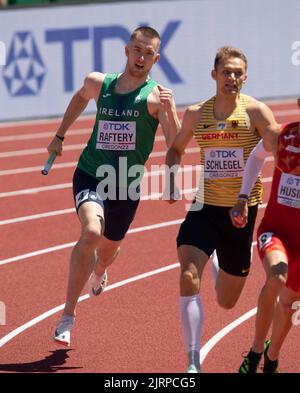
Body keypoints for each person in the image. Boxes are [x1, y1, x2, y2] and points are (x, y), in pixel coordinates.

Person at [47, 26, 181, 347]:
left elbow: (175, 143)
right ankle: (68, 315)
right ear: (126, 50)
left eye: (148, 53)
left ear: (156, 58)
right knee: (91, 233)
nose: (141, 57)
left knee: (106, 252)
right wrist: (59, 135)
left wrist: (172, 109)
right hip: (91, 173)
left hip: (125, 186)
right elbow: (80, 99)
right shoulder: (99, 83)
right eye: (137, 49)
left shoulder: (155, 98)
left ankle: (100, 271)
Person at [164, 46, 280, 373]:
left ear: (245, 77)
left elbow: (275, 148)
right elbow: (175, 150)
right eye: (226, 72)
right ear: (214, 74)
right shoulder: (196, 114)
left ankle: (216, 258)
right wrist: (171, 179)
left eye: (238, 73)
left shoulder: (256, 113)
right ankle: (192, 359)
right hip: (203, 207)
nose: (232, 78)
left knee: (226, 302)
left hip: (240, 215)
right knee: (188, 275)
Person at [230, 97, 300, 373]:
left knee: (288, 304)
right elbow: (256, 156)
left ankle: (272, 356)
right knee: (276, 275)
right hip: (276, 231)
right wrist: (243, 197)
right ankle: (256, 350)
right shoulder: (283, 135)